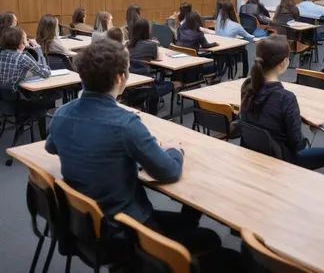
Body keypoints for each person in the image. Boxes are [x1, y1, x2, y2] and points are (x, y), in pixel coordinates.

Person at [44, 39, 227, 265]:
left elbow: (50, 147)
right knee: (210, 238)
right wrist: (174, 149)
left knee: (185, 223)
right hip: (124, 229)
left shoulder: (62, 113)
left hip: (88, 225)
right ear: (120, 78)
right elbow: (168, 172)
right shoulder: (126, 124)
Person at [241, 35, 324, 179]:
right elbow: (298, 145)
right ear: (284, 62)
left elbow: (268, 114)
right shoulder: (286, 97)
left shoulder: (248, 86)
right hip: (285, 159)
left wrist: (301, 118)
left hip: (258, 151)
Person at [0, 27, 51, 91]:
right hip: (17, 95)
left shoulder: (1, 53)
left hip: (3, 95)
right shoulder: (22, 58)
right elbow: (46, 74)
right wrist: (39, 52)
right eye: (26, 39)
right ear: (20, 45)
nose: (27, 40)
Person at [216, 0, 254, 77]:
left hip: (218, 48)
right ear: (232, 11)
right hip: (229, 49)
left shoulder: (218, 20)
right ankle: (244, 75)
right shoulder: (236, 26)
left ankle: (220, 72)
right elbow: (248, 37)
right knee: (244, 51)